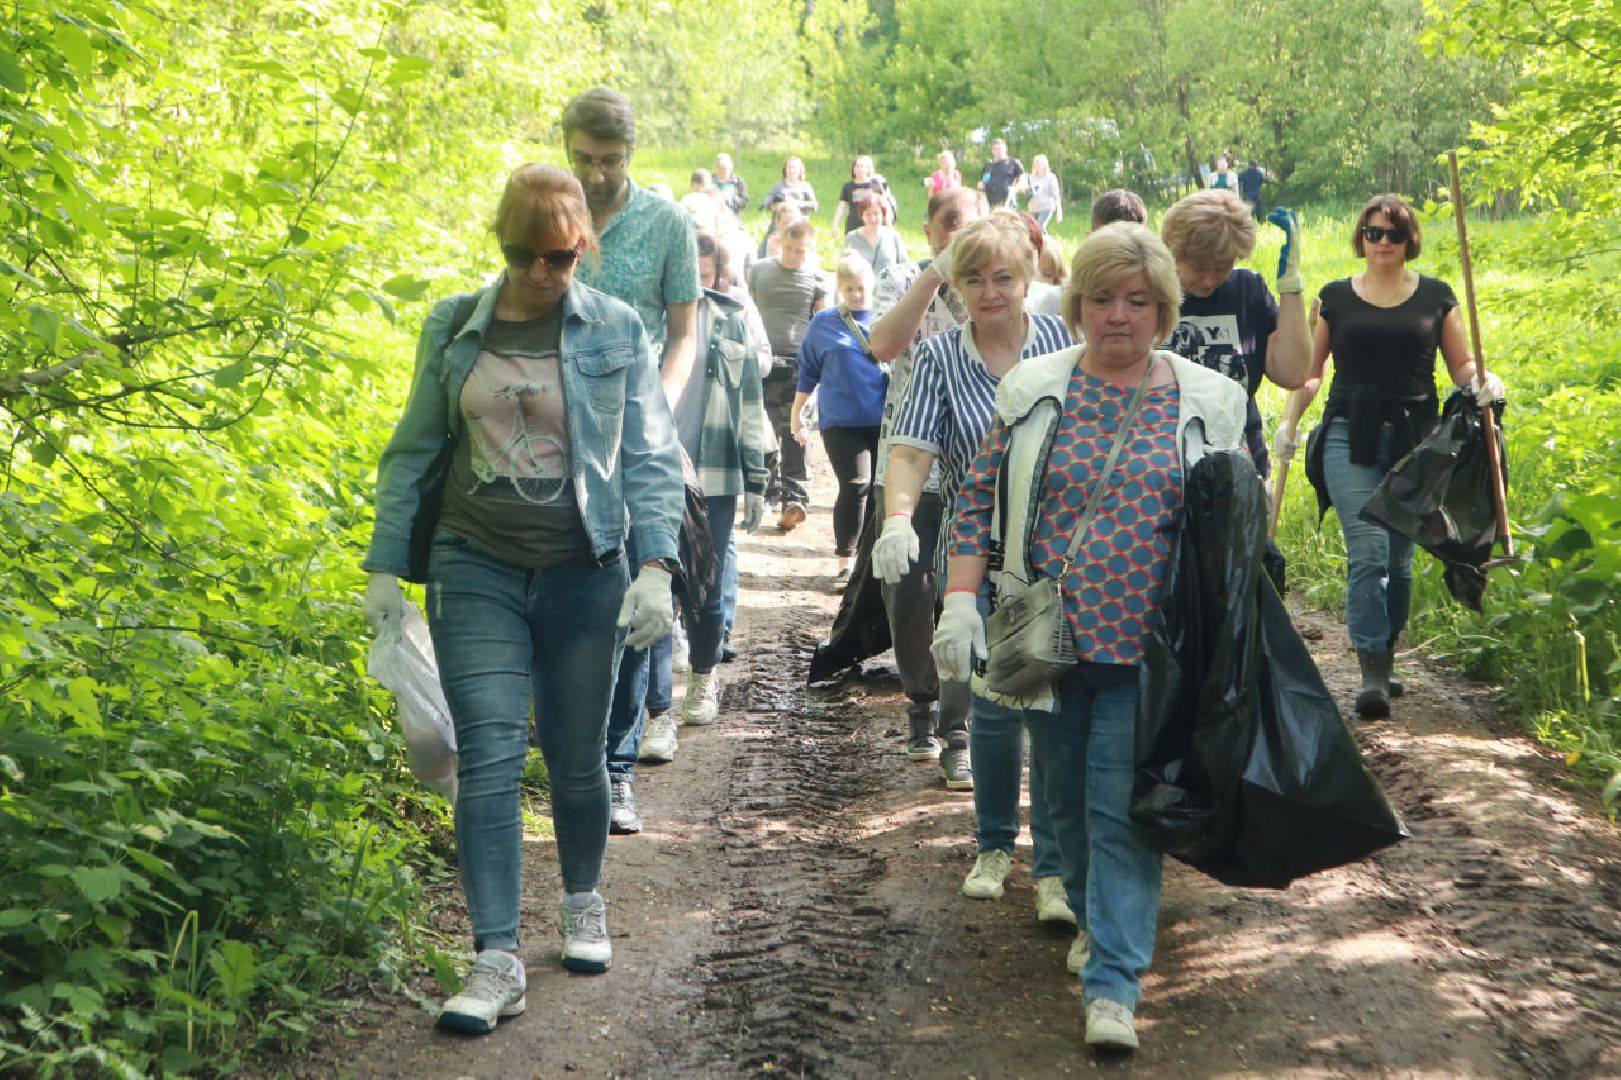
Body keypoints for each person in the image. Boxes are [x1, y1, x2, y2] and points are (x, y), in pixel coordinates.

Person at [361, 164, 685, 1033]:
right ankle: (495, 955)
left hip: (587, 568)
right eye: (521, 253)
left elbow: (652, 453)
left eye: (558, 256)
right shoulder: (453, 326)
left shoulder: (615, 330)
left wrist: (656, 564)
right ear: (499, 245)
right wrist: (386, 566)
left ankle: (582, 898)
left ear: (583, 247)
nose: (540, 272)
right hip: (475, 562)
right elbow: (415, 449)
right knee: (490, 756)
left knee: (578, 760)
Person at [936, 222, 1248, 1053]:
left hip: (1147, 653)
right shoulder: (1034, 389)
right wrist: (959, 602)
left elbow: (1236, 533)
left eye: (1137, 301)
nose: (1119, 316)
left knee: (1118, 812)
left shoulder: (1209, 402)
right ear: (1075, 306)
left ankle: (1114, 983)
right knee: (1066, 806)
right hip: (1043, 639)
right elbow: (976, 503)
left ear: (1163, 310)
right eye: (1102, 299)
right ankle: (1083, 909)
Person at [876, 212, 1076, 927]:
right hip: (975, 554)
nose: (988, 292)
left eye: (1002, 277)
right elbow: (909, 450)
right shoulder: (936, 359)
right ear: (952, 285)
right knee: (993, 711)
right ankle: (994, 848)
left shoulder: (1063, 343)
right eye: (972, 279)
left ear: (1026, 278)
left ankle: (1052, 867)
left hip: (1060, 555)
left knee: (1051, 714)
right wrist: (898, 516)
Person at [1276, 194, 1505, 718]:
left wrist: (1482, 382)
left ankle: (1388, 648)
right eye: (1374, 233)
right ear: (1361, 238)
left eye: (1393, 235)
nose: (1382, 242)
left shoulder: (1436, 297)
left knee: (1400, 563)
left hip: (1417, 443)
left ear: (1409, 242)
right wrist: (1289, 424)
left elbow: (1461, 364)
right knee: (1369, 552)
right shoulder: (1334, 298)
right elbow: (1310, 371)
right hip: (1346, 435)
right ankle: (1372, 670)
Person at [560, 86, 701, 836]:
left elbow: (684, 330)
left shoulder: (667, 223)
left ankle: (616, 771)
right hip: (555, 429)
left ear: (630, 156)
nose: (595, 175)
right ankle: (565, 751)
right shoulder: (553, 211)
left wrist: (661, 408)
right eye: (582, 159)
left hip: (639, 428)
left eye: (608, 161)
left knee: (637, 589)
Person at [638, 241, 772, 765]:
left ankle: (703, 674)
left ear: (717, 276)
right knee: (654, 590)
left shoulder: (730, 321)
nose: (691, 286)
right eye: (682, 274)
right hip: (651, 471)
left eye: (701, 275)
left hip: (714, 475)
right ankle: (657, 715)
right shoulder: (641, 320)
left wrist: (756, 478)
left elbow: (750, 404)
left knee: (706, 590)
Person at [868, 186, 985, 781]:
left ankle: (958, 728)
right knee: (907, 590)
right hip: (908, 462)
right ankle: (921, 698)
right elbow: (883, 344)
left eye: (973, 228)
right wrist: (935, 276)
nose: (961, 239)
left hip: (973, 465)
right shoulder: (899, 276)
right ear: (930, 231)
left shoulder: (994, 282)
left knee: (964, 596)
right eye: (951, 228)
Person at [1159, 189, 1311, 486]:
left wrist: (1291, 284)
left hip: (1239, 465)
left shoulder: (1247, 290)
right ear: (1173, 252)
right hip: (1163, 464)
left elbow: (1293, 373)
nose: (1209, 279)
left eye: (1222, 267)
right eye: (1199, 267)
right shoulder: (1149, 294)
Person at [788, 254, 888, 588]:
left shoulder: (887, 317)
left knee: (881, 491)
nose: (857, 295)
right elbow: (808, 372)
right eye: (849, 289)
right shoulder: (824, 323)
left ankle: (869, 565)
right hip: (841, 421)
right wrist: (797, 415)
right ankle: (845, 562)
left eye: (861, 288)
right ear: (839, 289)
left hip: (885, 419)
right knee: (856, 485)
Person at [748, 221, 829, 530]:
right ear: (781, 243)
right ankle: (765, 492)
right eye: (792, 249)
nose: (797, 256)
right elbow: (749, 310)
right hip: (764, 361)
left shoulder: (817, 277)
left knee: (797, 431)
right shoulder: (759, 271)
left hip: (800, 363)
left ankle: (794, 499)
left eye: (803, 251)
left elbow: (821, 318)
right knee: (762, 430)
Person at [842, 192, 908, 279]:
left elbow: (905, 268)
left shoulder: (893, 237)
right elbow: (842, 272)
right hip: (861, 291)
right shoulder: (851, 238)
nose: (873, 219)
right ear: (862, 216)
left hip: (889, 290)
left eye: (876, 213)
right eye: (868, 214)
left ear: (883, 215)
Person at [833, 155, 895, 239]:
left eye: (862, 166)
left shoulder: (875, 184)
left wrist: (888, 225)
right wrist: (835, 224)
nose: (859, 169)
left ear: (867, 169)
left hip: (873, 225)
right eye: (857, 166)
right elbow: (841, 207)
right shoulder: (848, 187)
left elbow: (884, 206)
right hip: (854, 226)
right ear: (853, 170)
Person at [977, 138, 1025, 209]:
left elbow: (1022, 179)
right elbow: (984, 181)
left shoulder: (1013, 163)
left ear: (1005, 149)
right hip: (990, 203)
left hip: (1007, 201)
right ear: (992, 151)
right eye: (995, 149)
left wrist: (1016, 188)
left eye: (1000, 149)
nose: (998, 151)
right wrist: (981, 184)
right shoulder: (989, 165)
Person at [1025, 154, 1063, 231]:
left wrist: (1059, 210)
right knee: (1031, 229)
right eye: (1036, 164)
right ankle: (1041, 241)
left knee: (1039, 227)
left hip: (1046, 207)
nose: (1038, 166)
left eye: (1040, 164)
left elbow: (1055, 194)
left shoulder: (1050, 177)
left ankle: (1045, 242)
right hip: (1033, 208)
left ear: (1045, 165)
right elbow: (1024, 189)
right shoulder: (1030, 177)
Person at [712, 152, 750, 217]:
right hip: (712, 216)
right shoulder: (709, 180)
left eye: (724, 169)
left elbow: (745, 202)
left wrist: (731, 199)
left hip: (731, 217)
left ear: (730, 168)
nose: (721, 171)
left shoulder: (737, 181)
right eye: (718, 168)